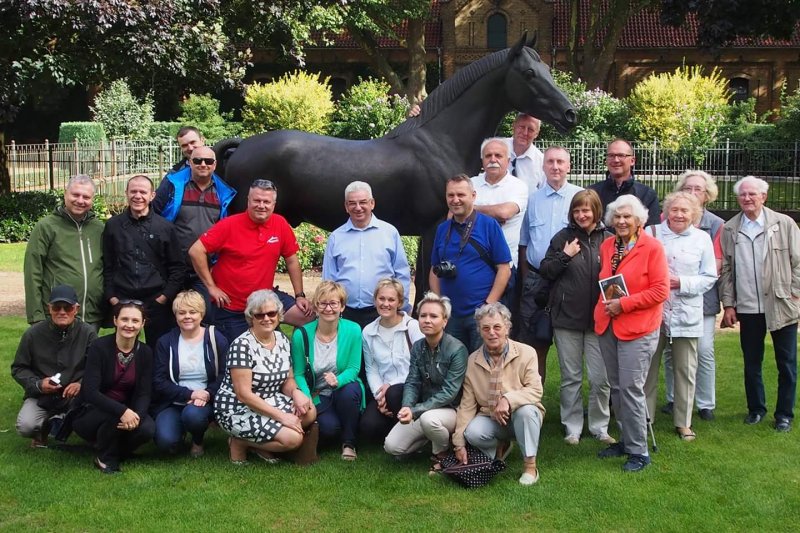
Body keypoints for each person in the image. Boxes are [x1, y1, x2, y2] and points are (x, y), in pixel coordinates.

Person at [594, 195, 668, 473]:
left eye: (627, 217)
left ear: (639, 220)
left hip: (638, 327)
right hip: (608, 324)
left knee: (631, 389)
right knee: (616, 387)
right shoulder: (607, 245)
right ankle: (625, 440)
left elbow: (661, 291)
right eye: (617, 216)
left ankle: (640, 451)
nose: (622, 221)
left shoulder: (653, 248)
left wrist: (623, 303)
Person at [720, 176, 800, 432]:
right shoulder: (730, 228)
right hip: (748, 306)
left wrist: (795, 294)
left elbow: (798, 262)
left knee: (786, 363)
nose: (747, 198)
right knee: (751, 362)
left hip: (781, 304)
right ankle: (756, 409)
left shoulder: (784, 224)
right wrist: (729, 304)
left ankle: (784, 414)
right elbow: (727, 270)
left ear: (764, 196)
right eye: (743, 194)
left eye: (752, 194)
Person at [189, 179, 313, 342]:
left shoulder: (280, 223)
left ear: (273, 204)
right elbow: (196, 251)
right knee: (241, 355)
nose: (261, 205)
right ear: (248, 200)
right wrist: (211, 287)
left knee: (308, 317)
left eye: (266, 202)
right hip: (232, 306)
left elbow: (291, 260)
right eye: (257, 200)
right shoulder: (229, 225)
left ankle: (295, 357)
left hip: (266, 297)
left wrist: (300, 295)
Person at [539, 189, 614, 445]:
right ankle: (572, 427)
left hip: (600, 321)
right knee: (571, 378)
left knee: (600, 379)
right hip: (567, 319)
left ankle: (599, 426)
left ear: (596, 211)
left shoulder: (610, 239)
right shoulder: (563, 238)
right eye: (577, 210)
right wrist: (565, 255)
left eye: (586, 210)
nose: (581, 215)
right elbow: (546, 270)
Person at [644, 192, 717, 441]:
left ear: (694, 214)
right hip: (653, 312)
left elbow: (709, 276)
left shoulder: (702, 239)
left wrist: (681, 282)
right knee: (647, 368)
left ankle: (683, 422)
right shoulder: (651, 233)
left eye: (685, 211)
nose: (678, 214)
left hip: (686, 313)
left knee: (685, 370)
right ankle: (645, 419)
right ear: (666, 211)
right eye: (674, 209)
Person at [215, 290, 316, 463]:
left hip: (269, 399)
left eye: (271, 313)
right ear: (251, 317)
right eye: (259, 315)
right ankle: (240, 443)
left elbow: (288, 379)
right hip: (238, 408)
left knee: (310, 411)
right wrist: (283, 417)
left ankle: (260, 443)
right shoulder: (242, 346)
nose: (266, 318)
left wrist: (296, 393)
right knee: (294, 439)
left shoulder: (282, 339)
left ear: (279, 314)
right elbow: (243, 395)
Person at [452, 303, 545, 485]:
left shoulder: (527, 353)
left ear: (507, 328)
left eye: (497, 327)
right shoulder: (472, 361)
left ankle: (530, 467)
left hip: (523, 415)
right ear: (479, 331)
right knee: (473, 432)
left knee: (526, 412)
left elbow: (535, 390)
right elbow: (467, 405)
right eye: (485, 328)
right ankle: (501, 448)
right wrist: (458, 442)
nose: (492, 333)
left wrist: (508, 400)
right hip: (492, 417)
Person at [661, 170, 725, 421]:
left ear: (707, 195)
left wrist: (683, 282)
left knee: (704, 351)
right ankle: (673, 398)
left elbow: (715, 266)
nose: (692, 193)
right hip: (667, 298)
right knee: (670, 350)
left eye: (698, 189)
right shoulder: (667, 218)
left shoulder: (715, 224)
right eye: (687, 188)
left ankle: (705, 402)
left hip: (700, 295)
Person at [518, 146, 583, 382]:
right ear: (543, 166)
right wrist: (527, 277)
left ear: (569, 166)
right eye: (550, 162)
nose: (555, 167)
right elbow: (524, 242)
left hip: (571, 280)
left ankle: (571, 408)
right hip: (537, 281)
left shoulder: (581, 197)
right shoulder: (532, 200)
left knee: (571, 347)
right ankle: (534, 403)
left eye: (560, 162)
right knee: (534, 345)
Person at [384, 292, 468, 475]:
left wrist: (416, 410)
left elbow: (450, 392)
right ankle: (431, 441)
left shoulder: (457, 349)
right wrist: (407, 406)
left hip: (452, 410)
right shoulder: (419, 346)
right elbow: (412, 381)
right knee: (392, 447)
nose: (427, 320)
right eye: (423, 315)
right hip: (424, 409)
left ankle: (442, 454)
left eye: (434, 316)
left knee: (430, 420)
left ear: (445, 321)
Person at [152, 145, 237, 320]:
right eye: (197, 160)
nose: (203, 164)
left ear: (214, 165)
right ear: (190, 162)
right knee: (165, 319)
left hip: (204, 268)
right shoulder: (172, 185)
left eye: (208, 161)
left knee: (204, 317)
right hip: (172, 266)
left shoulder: (223, 192)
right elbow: (154, 216)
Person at [429, 174, 511, 352]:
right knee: (454, 368)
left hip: (481, 314)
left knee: (483, 367)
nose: (455, 200)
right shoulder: (443, 229)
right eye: (451, 195)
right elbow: (434, 270)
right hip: (451, 315)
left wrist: (488, 305)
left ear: (473, 196)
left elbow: (504, 269)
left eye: (461, 195)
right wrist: (439, 304)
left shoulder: (489, 225)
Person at [72, 301, 155, 474]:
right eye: (124, 319)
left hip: (127, 410)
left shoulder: (146, 352)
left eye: (135, 321)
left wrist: (136, 416)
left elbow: (144, 392)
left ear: (142, 324)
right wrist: (123, 411)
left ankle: (117, 451)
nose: (129, 325)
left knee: (147, 428)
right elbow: (90, 392)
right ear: (115, 320)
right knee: (113, 416)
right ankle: (105, 458)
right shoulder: (98, 347)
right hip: (92, 411)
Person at [102, 175, 185, 348]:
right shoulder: (113, 226)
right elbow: (107, 264)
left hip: (156, 299)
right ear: (126, 193)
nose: (137, 196)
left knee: (159, 350)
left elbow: (177, 267)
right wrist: (112, 297)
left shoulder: (165, 227)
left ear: (152, 195)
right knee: (123, 349)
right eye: (133, 191)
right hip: (123, 297)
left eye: (142, 192)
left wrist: (164, 297)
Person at [12, 285, 97, 448]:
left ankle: (67, 422)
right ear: (49, 308)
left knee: (93, 418)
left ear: (76, 309)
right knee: (26, 426)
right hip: (41, 396)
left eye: (68, 307)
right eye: (57, 307)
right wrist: (38, 384)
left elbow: (97, 367)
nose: (62, 312)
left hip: (76, 395)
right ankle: (42, 430)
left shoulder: (88, 333)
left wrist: (81, 384)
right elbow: (18, 368)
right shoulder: (32, 334)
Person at [322, 181, 411, 329]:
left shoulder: (389, 233)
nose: (358, 208)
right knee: (349, 353)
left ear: (372, 203)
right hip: (346, 313)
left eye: (363, 202)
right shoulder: (336, 237)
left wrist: (402, 304)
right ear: (346, 206)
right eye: (352, 203)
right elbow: (328, 279)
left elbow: (401, 273)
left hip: (381, 312)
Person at [291, 282, 364, 460]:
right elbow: (298, 373)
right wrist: (306, 397)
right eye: (323, 303)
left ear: (342, 307)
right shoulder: (302, 335)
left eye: (334, 303)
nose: (328, 308)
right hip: (317, 393)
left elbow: (354, 368)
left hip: (343, 387)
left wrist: (338, 380)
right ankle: (339, 426)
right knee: (329, 429)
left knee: (349, 391)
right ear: (316, 307)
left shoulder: (353, 330)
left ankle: (349, 443)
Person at [152, 290, 229, 457]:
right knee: (166, 444)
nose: (187, 316)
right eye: (182, 313)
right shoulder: (165, 342)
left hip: (205, 402)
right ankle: (179, 432)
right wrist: (189, 394)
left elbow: (226, 375)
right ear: (176, 316)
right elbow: (159, 381)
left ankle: (197, 439)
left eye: (192, 312)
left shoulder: (216, 338)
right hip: (174, 401)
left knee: (193, 415)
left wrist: (207, 394)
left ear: (201, 314)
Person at [24, 174, 104, 328]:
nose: (80, 200)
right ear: (65, 193)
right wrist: (36, 315)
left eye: (86, 197)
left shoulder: (99, 228)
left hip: (91, 315)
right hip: (58, 313)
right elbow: (32, 271)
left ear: (92, 199)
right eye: (75, 194)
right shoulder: (46, 227)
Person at [359, 279, 424, 443]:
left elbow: (420, 366)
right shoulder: (368, 331)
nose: (385, 304)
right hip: (385, 392)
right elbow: (371, 369)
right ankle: (397, 428)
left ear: (400, 302)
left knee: (395, 393)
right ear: (375, 301)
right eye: (381, 299)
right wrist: (379, 396)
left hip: (412, 388)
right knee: (368, 427)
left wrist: (391, 386)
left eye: (391, 300)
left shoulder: (413, 327)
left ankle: (414, 435)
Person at [589, 139, 660, 228]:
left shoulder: (647, 194)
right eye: (611, 155)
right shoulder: (592, 193)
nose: (616, 160)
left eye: (621, 155)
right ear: (606, 160)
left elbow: (652, 231)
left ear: (632, 161)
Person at [505, 113, 546, 192]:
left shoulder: (542, 162)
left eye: (530, 129)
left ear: (536, 133)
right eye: (521, 127)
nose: (525, 133)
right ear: (514, 126)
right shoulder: (497, 149)